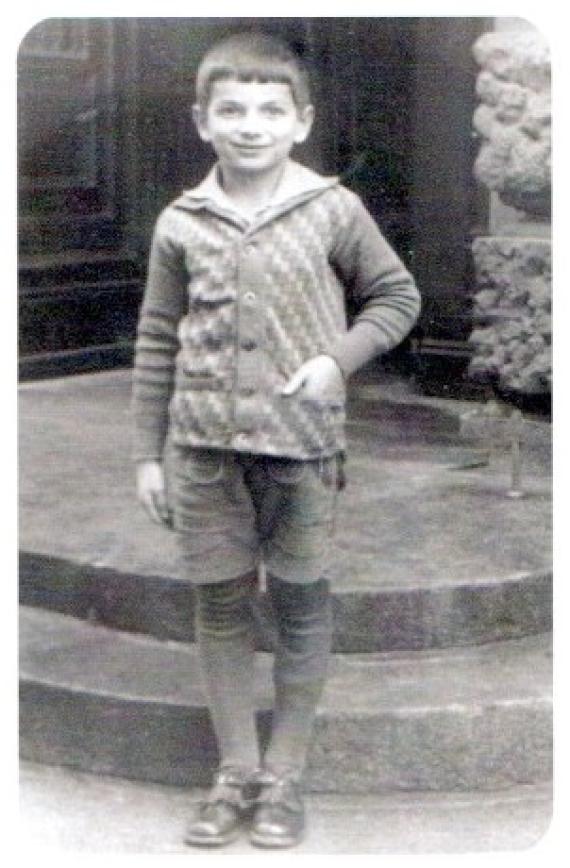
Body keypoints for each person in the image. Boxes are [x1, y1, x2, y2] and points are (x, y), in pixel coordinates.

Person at [132, 30, 420, 849]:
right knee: (221, 607)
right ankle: (236, 773)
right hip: (202, 454)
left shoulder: (333, 208)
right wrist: (148, 455)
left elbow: (395, 299)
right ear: (202, 120)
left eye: (270, 110)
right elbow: (157, 338)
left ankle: (285, 777)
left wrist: (338, 362)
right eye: (231, 109)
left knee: (299, 605)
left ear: (301, 121)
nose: (250, 124)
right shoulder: (181, 222)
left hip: (302, 449)